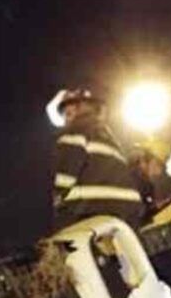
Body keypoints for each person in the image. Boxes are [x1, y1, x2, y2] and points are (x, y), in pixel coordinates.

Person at [47, 88, 145, 229]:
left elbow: (64, 178)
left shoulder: (73, 133)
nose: (66, 119)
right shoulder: (110, 138)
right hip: (128, 212)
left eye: (68, 113)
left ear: (79, 109)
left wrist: (56, 201)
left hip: (91, 210)